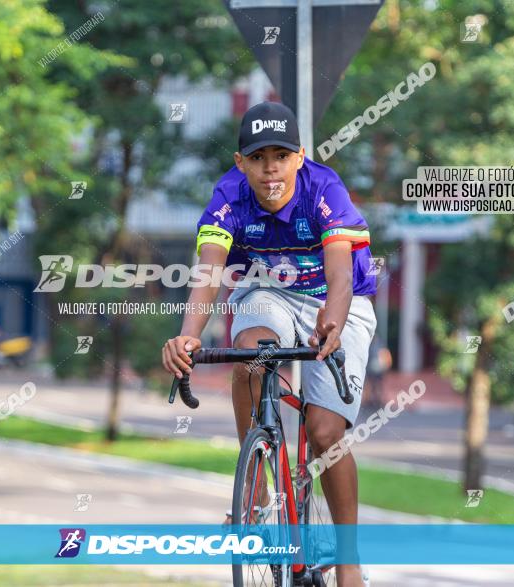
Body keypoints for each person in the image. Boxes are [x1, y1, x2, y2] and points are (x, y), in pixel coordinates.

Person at [161, 102, 377, 587]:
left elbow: (341, 274)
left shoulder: (324, 189)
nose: (270, 168)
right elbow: (209, 273)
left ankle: (347, 562)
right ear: (241, 163)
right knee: (251, 359)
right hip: (268, 290)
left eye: (281, 155)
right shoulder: (228, 197)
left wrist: (333, 322)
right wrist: (189, 336)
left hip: (338, 300)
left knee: (324, 434)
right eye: (258, 158)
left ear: (300, 157)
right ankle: (258, 490)